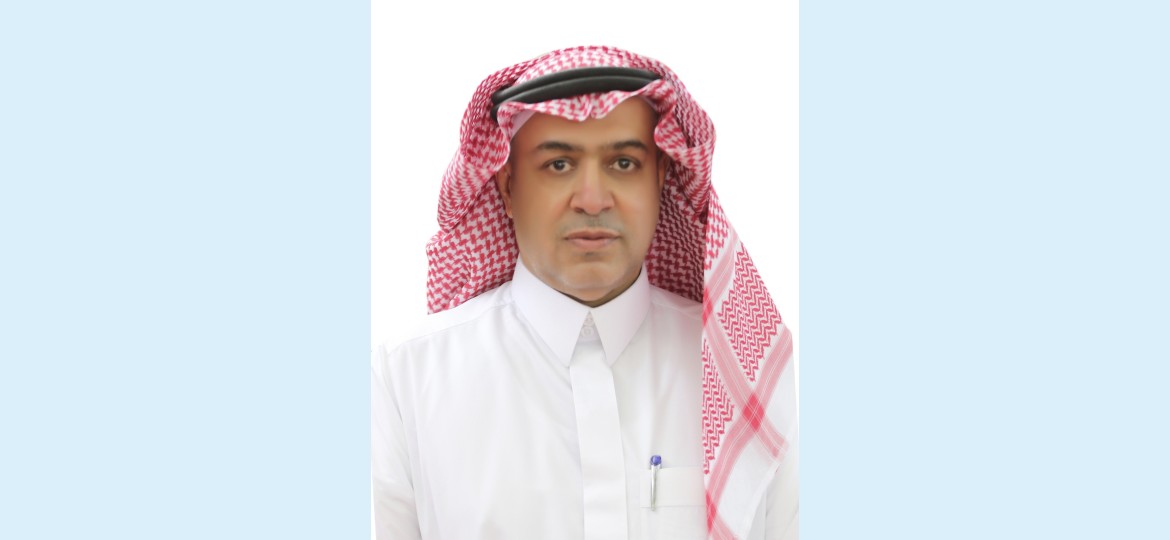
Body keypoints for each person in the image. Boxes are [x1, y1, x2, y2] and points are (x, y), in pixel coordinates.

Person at [372, 45, 798, 540]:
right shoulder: (407, 380)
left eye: (623, 163)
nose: (593, 199)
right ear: (508, 187)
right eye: (559, 165)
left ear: (661, 178)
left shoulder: (746, 367)